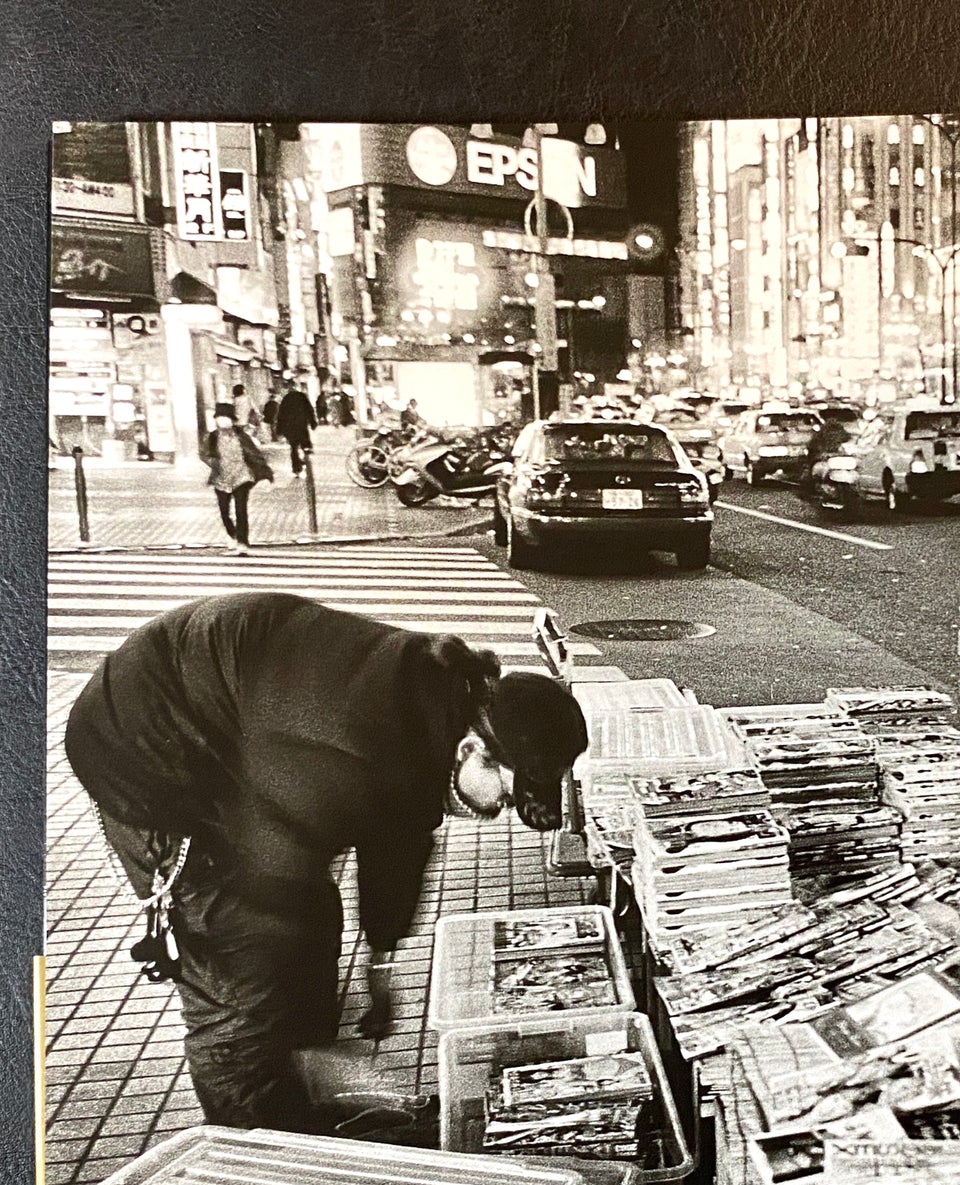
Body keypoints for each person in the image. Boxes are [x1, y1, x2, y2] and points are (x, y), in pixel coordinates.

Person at [64, 593, 590, 1134]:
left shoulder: (438, 708)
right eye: (506, 792)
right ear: (472, 750)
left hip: (242, 724)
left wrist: (381, 958)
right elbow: (271, 880)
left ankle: (307, 1091)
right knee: (240, 973)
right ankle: (260, 1147)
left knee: (308, 924)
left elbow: (400, 830)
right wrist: (323, 1056)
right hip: (148, 747)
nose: (501, 810)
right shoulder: (347, 757)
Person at [199, 403, 273, 554]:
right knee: (224, 512)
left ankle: (243, 542)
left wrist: (266, 475)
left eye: (226, 418)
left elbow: (255, 455)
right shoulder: (212, 437)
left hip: (242, 476)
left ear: (232, 420)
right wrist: (213, 462)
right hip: (221, 478)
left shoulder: (242, 437)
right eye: (220, 418)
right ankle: (232, 534)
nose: (223, 421)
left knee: (241, 510)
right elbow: (204, 453)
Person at [275, 380, 317, 477]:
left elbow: (281, 415)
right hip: (301, 425)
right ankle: (305, 459)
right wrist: (312, 422)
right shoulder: (301, 397)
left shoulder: (285, 399)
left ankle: (296, 468)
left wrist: (279, 429)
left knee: (293, 447)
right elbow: (309, 410)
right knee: (304, 443)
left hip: (289, 428)